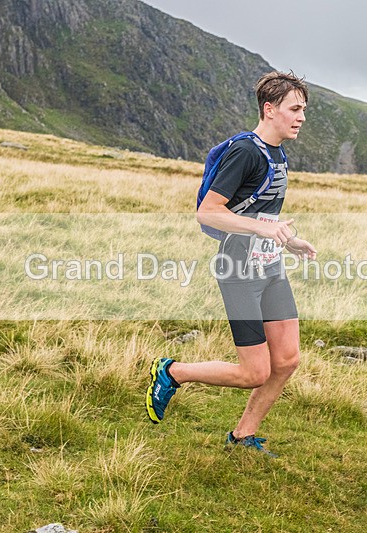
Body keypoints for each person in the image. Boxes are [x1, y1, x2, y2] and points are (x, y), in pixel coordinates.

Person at [145, 71, 317, 457]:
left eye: (303, 109)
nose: (301, 116)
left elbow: (262, 217)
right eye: (294, 108)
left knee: (287, 360)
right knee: (254, 372)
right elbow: (208, 213)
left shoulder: (278, 153)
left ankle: (242, 437)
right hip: (238, 270)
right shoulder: (246, 152)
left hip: (269, 266)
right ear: (269, 110)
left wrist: (289, 242)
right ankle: (172, 372)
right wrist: (259, 228)